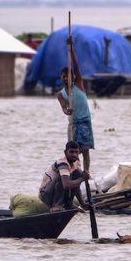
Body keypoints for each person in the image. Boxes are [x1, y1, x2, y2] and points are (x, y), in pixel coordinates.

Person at [56, 36, 94, 172]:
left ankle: (86, 172)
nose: (66, 78)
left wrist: (71, 50)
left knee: (85, 150)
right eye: (64, 76)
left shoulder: (78, 84)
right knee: (73, 151)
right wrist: (67, 111)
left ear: (72, 77)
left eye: (68, 76)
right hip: (73, 123)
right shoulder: (61, 94)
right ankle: (75, 171)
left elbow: (76, 66)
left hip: (84, 121)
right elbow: (63, 108)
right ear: (61, 78)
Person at [39, 141, 90, 212]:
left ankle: (68, 204)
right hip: (46, 194)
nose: (74, 154)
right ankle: (56, 205)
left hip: (58, 192)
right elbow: (66, 185)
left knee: (78, 173)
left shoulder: (76, 163)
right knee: (63, 178)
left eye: (76, 152)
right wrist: (82, 179)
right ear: (65, 152)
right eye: (71, 152)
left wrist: (83, 204)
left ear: (79, 152)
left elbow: (76, 185)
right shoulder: (62, 163)